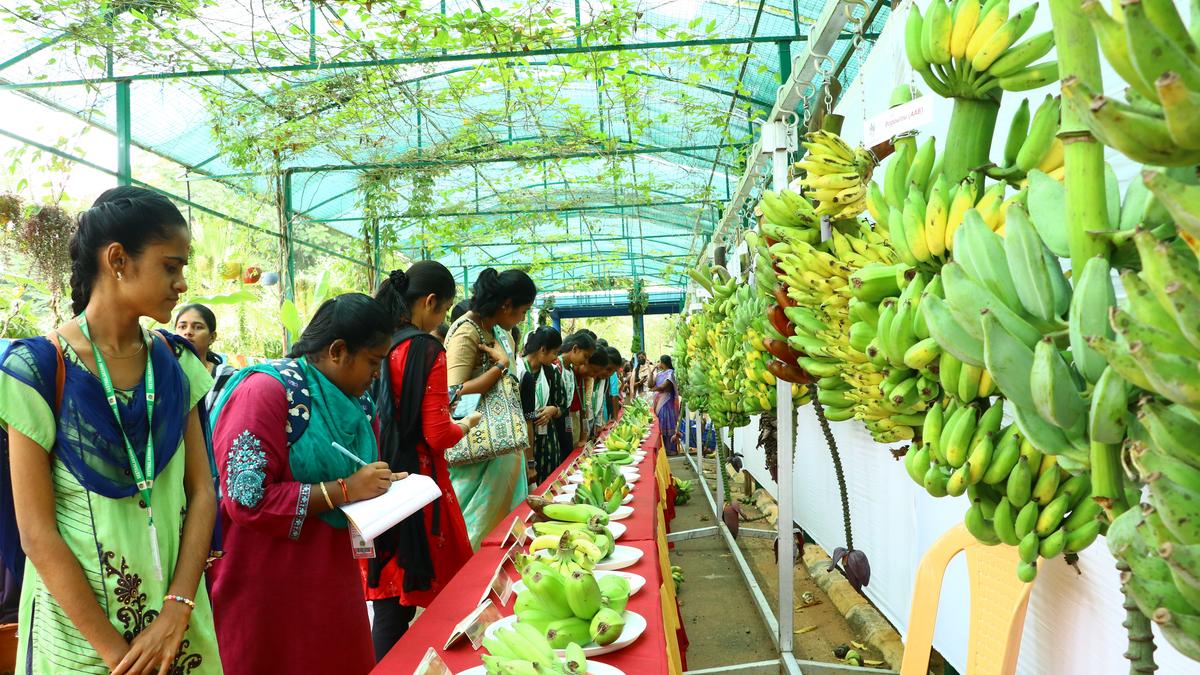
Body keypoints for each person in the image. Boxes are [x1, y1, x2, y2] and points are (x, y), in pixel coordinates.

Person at [0, 187, 223, 673]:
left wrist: (178, 609)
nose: (182, 284)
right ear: (118, 260)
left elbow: (203, 492)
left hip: (178, 627)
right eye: (171, 266)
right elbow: (36, 533)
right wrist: (117, 657)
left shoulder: (176, 362)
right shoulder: (37, 370)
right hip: (78, 639)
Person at [208, 293, 401, 675]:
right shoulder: (265, 391)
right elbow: (246, 499)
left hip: (331, 574)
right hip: (265, 580)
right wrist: (346, 489)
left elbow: (357, 475)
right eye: (373, 362)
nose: (377, 375)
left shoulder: (358, 404)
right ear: (338, 350)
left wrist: (380, 485)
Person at [364, 264, 482, 660]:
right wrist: (464, 423)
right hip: (417, 485)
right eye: (444, 310)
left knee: (388, 598)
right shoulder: (428, 349)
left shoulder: (378, 342)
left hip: (373, 479)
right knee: (429, 590)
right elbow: (436, 434)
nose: (442, 319)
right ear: (430, 302)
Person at [444, 268, 537, 549]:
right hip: (478, 450)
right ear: (506, 305)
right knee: (476, 527)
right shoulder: (466, 331)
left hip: (502, 449)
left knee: (502, 525)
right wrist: (499, 368)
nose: (522, 318)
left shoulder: (495, 330)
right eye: (522, 311)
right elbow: (451, 393)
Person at [518, 327, 564, 483]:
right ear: (543, 350)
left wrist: (554, 410)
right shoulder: (518, 371)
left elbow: (562, 404)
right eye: (555, 352)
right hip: (522, 444)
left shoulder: (552, 373)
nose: (556, 358)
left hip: (548, 445)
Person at [554, 331, 595, 455]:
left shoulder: (571, 371)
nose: (585, 361)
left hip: (566, 423)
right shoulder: (556, 366)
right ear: (575, 349)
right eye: (585, 356)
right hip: (556, 425)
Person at [654, 355, 682, 455]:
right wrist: (651, 371)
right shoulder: (659, 373)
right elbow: (651, 384)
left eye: (659, 362)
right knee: (661, 424)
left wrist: (654, 389)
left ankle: (670, 449)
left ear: (662, 362)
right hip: (659, 402)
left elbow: (663, 387)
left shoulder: (670, 373)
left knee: (667, 424)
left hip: (667, 402)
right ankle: (662, 449)